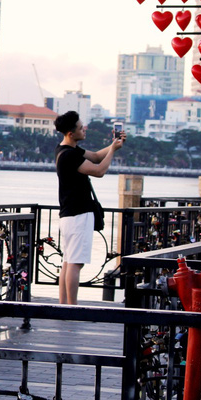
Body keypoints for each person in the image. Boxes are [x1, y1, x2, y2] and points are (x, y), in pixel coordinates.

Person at [53, 111, 125, 305]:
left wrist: (114, 146)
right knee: (75, 264)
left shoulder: (64, 150)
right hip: (78, 214)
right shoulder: (69, 156)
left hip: (69, 214)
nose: (84, 128)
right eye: (80, 126)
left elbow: (94, 156)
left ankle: (64, 305)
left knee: (68, 262)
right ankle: (72, 307)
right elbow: (99, 170)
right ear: (70, 132)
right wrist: (112, 152)